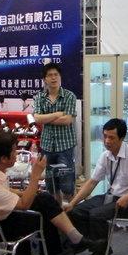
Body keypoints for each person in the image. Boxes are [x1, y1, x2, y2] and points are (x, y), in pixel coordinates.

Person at [0, 132, 98, 255]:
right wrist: (35, 176)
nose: (17, 154)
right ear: (3, 158)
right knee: (44, 214)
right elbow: (24, 204)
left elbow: (5, 190)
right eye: (13, 151)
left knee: (44, 201)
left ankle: (69, 242)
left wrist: (25, 192)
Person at [66, 118, 128, 255]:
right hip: (113, 197)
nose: (107, 141)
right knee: (77, 211)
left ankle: (101, 254)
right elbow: (92, 182)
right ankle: (99, 247)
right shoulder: (105, 156)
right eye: (105, 136)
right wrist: (72, 203)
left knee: (96, 215)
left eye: (111, 138)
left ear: (121, 138)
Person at [33, 63, 77, 203]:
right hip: (47, 146)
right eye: (50, 75)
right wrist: (58, 114)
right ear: (44, 79)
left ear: (60, 77)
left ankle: (70, 210)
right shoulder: (39, 97)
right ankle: (56, 211)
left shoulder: (69, 96)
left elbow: (67, 120)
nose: (53, 78)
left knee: (67, 184)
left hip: (65, 146)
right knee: (51, 184)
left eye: (56, 75)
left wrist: (45, 118)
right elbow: (37, 119)